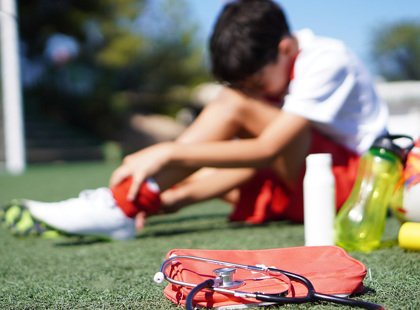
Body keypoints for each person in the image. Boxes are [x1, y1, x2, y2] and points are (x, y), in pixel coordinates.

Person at [1, 0, 388, 240]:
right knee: (201, 173)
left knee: (232, 107)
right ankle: (130, 206)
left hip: (353, 187)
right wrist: (166, 196)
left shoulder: (326, 58)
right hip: (301, 178)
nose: (255, 93)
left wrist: (168, 151)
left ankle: (119, 207)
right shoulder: (284, 62)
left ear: (285, 49)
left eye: (255, 83)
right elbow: (253, 157)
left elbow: (269, 147)